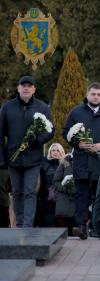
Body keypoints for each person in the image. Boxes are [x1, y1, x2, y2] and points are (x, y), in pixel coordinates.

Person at [63, 82, 100, 239]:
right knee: (81, 195)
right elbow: (65, 132)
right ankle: (81, 227)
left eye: (99, 94)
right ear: (87, 94)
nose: (96, 97)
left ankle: (97, 227)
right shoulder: (76, 112)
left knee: (99, 195)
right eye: (93, 94)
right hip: (81, 160)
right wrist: (77, 143)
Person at [0, 76, 54, 227]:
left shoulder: (42, 107)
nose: (26, 88)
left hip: (33, 159)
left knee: (30, 192)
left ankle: (27, 227)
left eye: (29, 86)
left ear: (34, 89)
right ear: (18, 88)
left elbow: (50, 131)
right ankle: (20, 224)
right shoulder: (7, 107)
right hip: (13, 158)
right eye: (23, 85)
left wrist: (36, 140)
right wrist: (2, 158)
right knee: (16, 192)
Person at [36, 143, 65, 227]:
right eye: (53, 150)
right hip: (47, 200)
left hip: (61, 199)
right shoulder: (44, 165)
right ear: (50, 152)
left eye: (58, 150)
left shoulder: (66, 165)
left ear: (61, 152)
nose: (55, 152)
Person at [53, 152, 75, 235]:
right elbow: (56, 181)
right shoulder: (65, 162)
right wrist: (65, 188)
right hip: (65, 201)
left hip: (78, 200)